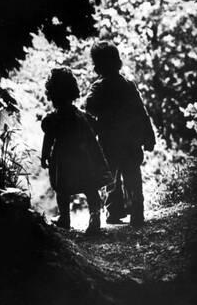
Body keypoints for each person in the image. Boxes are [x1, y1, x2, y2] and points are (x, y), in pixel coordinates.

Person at [85, 41, 155, 227]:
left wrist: (100, 117)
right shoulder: (128, 85)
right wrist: (149, 136)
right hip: (131, 139)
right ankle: (137, 212)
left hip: (109, 141)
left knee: (111, 179)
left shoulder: (98, 87)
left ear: (97, 65)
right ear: (117, 62)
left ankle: (114, 212)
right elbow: (142, 112)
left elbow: (89, 106)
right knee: (133, 175)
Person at [41, 67, 111, 234]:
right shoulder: (81, 116)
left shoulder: (52, 119)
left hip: (63, 161)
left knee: (62, 191)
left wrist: (44, 156)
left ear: (51, 94)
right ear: (73, 90)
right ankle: (95, 217)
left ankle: (65, 218)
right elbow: (93, 133)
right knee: (90, 188)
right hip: (83, 158)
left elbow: (48, 138)